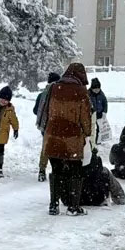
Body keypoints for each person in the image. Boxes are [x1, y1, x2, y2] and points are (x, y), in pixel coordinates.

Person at [44, 63, 93, 216]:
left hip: (53, 136)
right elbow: (85, 117)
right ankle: (73, 206)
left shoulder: (54, 88)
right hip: (72, 137)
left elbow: (46, 110)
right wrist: (87, 133)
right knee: (75, 172)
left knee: (56, 170)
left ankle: (53, 205)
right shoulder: (81, 91)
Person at [34, 72, 62, 182]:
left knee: (46, 148)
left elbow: (36, 110)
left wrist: (44, 115)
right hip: (58, 126)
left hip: (45, 126)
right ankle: (57, 170)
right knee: (58, 148)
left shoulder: (42, 95)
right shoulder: (60, 94)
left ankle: (42, 170)